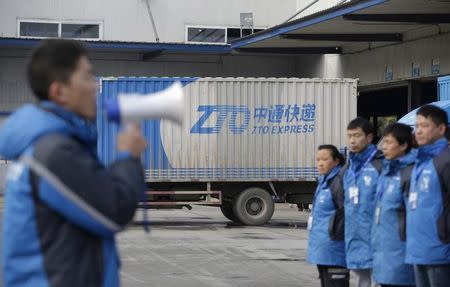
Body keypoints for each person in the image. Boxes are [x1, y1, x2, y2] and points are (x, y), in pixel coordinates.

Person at [0, 39, 147, 286]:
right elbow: (114, 212)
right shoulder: (54, 152)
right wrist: (127, 157)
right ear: (59, 91)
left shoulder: (46, 144)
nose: (95, 85)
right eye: (88, 76)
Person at [405, 105, 450, 287]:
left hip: (440, 250)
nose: (418, 131)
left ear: (441, 129)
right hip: (419, 249)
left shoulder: (445, 160)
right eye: (416, 126)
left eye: (425, 126)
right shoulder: (419, 161)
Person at [371, 123, 416, 287]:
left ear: (404, 145)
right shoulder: (386, 172)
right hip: (384, 253)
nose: (383, 147)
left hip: (401, 254)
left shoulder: (410, 173)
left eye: (389, 142)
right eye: (384, 142)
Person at [343, 117, 383, 287]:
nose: (352, 140)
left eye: (357, 135)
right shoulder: (349, 167)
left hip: (376, 238)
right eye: (349, 135)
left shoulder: (380, 164)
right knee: (359, 281)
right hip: (354, 236)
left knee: (377, 281)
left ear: (369, 137)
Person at [308, 145, 349, 287]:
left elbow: (346, 214)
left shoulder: (338, 182)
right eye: (318, 159)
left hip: (335, 250)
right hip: (322, 250)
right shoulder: (323, 181)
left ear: (336, 161)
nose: (320, 163)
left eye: (325, 159)